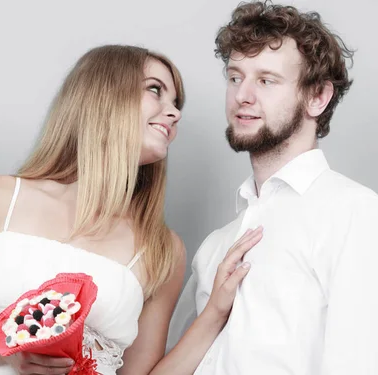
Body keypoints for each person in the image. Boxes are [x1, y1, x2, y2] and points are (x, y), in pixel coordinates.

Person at [0, 44, 258, 375]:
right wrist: (8, 349)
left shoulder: (162, 249)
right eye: (154, 90)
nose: (174, 113)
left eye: (176, 102)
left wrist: (213, 315)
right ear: (103, 94)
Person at [155, 2, 378, 375]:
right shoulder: (215, 246)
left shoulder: (355, 213)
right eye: (235, 76)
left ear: (317, 97)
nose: (242, 95)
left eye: (266, 80)